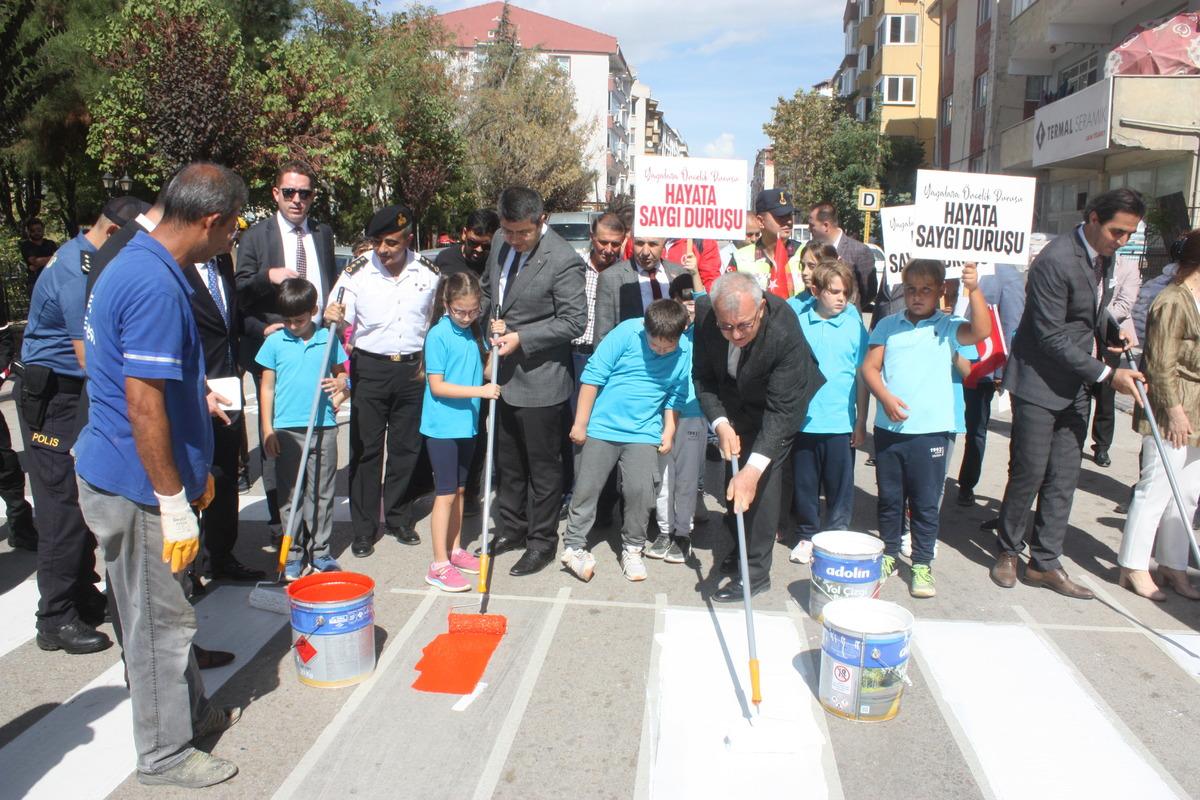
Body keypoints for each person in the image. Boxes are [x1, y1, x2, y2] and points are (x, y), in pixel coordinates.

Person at [75, 162, 246, 788]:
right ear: (210, 220)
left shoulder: (141, 260)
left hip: (132, 473)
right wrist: (172, 498)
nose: (234, 241)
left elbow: (122, 362)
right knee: (159, 625)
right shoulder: (153, 281)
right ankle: (164, 755)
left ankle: (191, 717)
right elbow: (141, 399)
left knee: (164, 612)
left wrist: (191, 398)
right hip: (136, 485)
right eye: (232, 229)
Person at [991, 189, 1147, 599]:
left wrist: (1113, 334)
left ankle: (1044, 563)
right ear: (1093, 218)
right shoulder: (1055, 260)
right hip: (1039, 381)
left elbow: (1090, 313)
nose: (1122, 240)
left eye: (1129, 234)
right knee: (1029, 471)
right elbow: (1048, 334)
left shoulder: (1105, 257)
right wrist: (1105, 374)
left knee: (1063, 477)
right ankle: (1008, 550)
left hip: (1075, 384)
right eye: (1117, 231)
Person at [15, 198, 140, 654]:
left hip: (76, 394)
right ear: (112, 234)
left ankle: (84, 593)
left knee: (86, 495)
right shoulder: (75, 270)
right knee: (62, 506)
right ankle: (55, 616)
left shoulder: (95, 262)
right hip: (55, 400)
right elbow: (89, 355)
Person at [863, 260, 992, 598]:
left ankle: (921, 562)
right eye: (910, 290)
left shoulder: (949, 326)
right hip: (890, 429)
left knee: (924, 502)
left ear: (940, 291)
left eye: (925, 290)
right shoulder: (888, 326)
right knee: (890, 498)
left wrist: (974, 289)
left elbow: (981, 331)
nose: (917, 296)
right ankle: (889, 552)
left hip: (931, 431)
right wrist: (885, 397)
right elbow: (870, 368)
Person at [693, 271, 823, 601]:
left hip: (780, 402)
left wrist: (753, 470)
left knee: (759, 481)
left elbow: (781, 414)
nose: (734, 334)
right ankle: (737, 548)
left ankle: (755, 572)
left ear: (761, 308)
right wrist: (721, 424)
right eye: (726, 326)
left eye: (744, 325)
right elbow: (703, 378)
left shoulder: (783, 327)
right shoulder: (708, 313)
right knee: (732, 473)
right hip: (736, 400)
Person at [477, 186, 586, 577]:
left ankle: (541, 541)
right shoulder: (499, 245)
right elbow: (491, 294)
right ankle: (512, 528)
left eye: (522, 232)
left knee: (543, 468)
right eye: (507, 231)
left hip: (540, 379)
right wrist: (482, 325)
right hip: (501, 376)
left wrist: (523, 336)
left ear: (542, 220)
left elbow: (575, 321)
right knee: (508, 462)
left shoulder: (563, 260)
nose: (514, 240)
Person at [325, 205, 441, 557]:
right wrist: (332, 316)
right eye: (377, 242)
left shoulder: (428, 273)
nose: (382, 250)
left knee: (406, 449)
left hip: (412, 369)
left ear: (407, 240)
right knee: (366, 452)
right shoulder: (357, 274)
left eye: (390, 243)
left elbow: (435, 319)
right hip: (370, 369)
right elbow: (337, 317)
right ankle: (363, 529)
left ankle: (398, 517)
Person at [235, 160, 339, 542]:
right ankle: (284, 523)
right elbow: (239, 293)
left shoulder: (322, 234)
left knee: (318, 431)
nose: (298, 200)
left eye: (305, 193)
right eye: (290, 192)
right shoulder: (257, 237)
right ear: (276, 194)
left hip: (316, 342)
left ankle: (317, 529)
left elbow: (328, 285)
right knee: (277, 434)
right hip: (274, 345)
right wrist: (268, 277)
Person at [560, 300, 691, 582]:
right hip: (602, 426)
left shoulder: (685, 350)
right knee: (586, 487)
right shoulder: (627, 333)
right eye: (654, 344)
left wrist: (669, 430)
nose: (659, 351)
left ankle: (633, 548)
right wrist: (580, 424)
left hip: (644, 431)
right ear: (645, 328)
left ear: (681, 334)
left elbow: (675, 396)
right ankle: (573, 545)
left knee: (640, 492)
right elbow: (593, 377)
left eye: (667, 347)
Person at [1117, 230, 1200, 601]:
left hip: (1197, 406)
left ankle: (1173, 564)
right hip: (1173, 406)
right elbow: (1161, 363)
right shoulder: (1172, 300)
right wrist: (1175, 411)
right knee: (1155, 488)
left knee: (1188, 493)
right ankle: (1134, 565)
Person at [258, 279, 347, 579]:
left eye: (299, 319)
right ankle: (293, 552)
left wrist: (340, 384)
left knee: (322, 492)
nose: (293, 326)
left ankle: (321, 551)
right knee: (291, 494)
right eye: (287, 321)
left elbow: (343, 376)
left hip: (323, 426)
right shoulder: (274, 342)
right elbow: (267, 387)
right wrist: (267, 429)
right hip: (286, 428)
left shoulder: (328, 338)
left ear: (314, 311)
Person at [188, 234, 263, 582]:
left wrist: (265, 329)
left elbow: (231, 321)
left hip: (228, 385)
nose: (232, 235)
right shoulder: (176, 266)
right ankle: (186, 567)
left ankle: (220, 557)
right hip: (191, 389)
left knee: (225, 475)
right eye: (228, 226)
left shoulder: (222, 262)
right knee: (192, 476)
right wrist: (197, 385)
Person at [786, 259, 868, 564]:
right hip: (804, 421)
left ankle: (836, 535)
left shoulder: (853, 323)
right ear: (815, 290)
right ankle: (807, 536)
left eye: (845, 292)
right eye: (834, 291)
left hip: (840, 421)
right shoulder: (798, 320)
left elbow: (862, 374)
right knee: (805, 485)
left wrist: (861, 420)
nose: (841, 298)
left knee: (840, 487)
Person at [419, 272, 497, 591]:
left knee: (463, 491)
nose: (466, 317)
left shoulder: (473, 332)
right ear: (446, 304)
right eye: (459, 311)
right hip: (442, 426)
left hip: (467, 424)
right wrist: (479, 392)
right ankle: (438, 564)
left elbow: (486, 370)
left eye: (472, 311)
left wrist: (497, 345)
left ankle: (454, 549)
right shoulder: (438, 335)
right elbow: (437, 386)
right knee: (446, 493)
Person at [647, 274, 708, 565]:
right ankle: (664, 531)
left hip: (693, 415)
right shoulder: (663, 334)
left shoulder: (708, 332)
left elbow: (706, 305)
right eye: (684, 303)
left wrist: (695, 274)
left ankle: (683, 532)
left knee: (686, 479)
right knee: (663, 479)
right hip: (662, 415)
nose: (691, 308)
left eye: (693, 302)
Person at [956, 263, 1026, 507]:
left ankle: (966, 483)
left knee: (975, 428)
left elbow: (1012, 324)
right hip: (943, 357)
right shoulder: (946, 262)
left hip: (980, 366)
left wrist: (1000, 371)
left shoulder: (1007, 275)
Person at [1090, 255, 1142, 467]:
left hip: (1111, 336)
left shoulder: (1127, 267)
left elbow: (1125, 303)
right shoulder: (1088, 263)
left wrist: (1092, 316)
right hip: (1083, 338)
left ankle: (1101, 446)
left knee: (1105, 396)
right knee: (1080, 395)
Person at [594, 235, 685, 343]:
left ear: (664, 243)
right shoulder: (611, 277)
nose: (645, 252)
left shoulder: (680, 273)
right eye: (639, 243)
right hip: (631, 357)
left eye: (652, 244)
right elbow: (603, 335)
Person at [730, 190, 804, 299]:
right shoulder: (741, 258)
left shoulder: (805, 254)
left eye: (790, 215)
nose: (788, 221)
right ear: (760, 221)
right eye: (781, 216)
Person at [807, 201, 878, 312]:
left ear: (826, 226)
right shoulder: (810, 249)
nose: (809, 229)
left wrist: (850, 304)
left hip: (848, 321)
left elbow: (869, 292)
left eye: (812, 225)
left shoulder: (859, 251)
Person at [434, 209, 500, 277]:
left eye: (486, 246)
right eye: (473, 243)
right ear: (464, 233)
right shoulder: (445, 258)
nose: (479, 250)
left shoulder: (497, 265)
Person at [19, 217, 57, 292]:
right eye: (32, 230)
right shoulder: (26, 245)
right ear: (28, 232)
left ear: (43, 230)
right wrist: (53, 258)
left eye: (39, 230)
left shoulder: (51, 243)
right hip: (35, 281)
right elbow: (35, 262)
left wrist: (39, 263)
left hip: (53, 280)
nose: (36, 233)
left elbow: (60, 260)